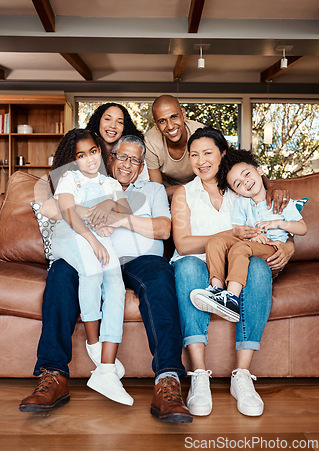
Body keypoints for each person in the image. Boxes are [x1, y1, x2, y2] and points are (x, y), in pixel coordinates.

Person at [19, 135, 192, 423]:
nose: (128, 164)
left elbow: (163, 229)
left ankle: (167, 381)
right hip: (94, 256)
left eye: (135, 160)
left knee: (162, 277)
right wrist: (89, 211)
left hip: (141, 261)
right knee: (61, 272)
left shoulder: (153, 190)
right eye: (122, 156)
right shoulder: (89, 178)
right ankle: (53, 375)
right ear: (110, 158)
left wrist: (118, 218)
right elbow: (52, 207)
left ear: (142, 166)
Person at [170, 126, 295, 418]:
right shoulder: (184, 194)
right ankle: (199, 375)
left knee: (259, 268)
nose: (201, 160)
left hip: (237, 265)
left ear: (223, 153)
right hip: (197, 263)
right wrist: (230, 232)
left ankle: (242, 375)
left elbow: (274, 222)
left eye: (208, 153)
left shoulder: (241, 187)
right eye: (194, 155)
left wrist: (288, 247)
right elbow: (183, 243)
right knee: (187, 266)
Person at [50, 128, 133, 406]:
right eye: (81, 156)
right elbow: (68, 211)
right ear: (73, 160)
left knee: (116, 286)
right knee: (93, 270)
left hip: (98, 236)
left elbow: (126, 209)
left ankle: (106, 369)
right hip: (70, 236)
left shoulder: (109, 183)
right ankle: (93, 343)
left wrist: (110, 203)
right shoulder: (69, 178)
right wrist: (91, 238)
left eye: (93, 152)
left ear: (100, 149)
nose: (89, 160)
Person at [190, 148, 307, 323]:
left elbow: (302, 229)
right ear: (237, 192)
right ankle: (217, 290)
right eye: (238, 184)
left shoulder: (281, 201)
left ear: (259, 171)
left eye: (247, 174)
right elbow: (240, 230)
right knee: (215, 241)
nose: (245, 182)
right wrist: (252, 237)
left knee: (240, 248)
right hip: (253, 246)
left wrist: (278, 224)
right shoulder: (242, 204)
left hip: (273, 250)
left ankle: (231, 299)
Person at [144, 95, 204, 199]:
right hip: (168, 191)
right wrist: (188, 188)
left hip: (201, 190)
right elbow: (157, 192)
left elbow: (212, 180)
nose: (170, 126)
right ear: (156, 124)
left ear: (183, 115)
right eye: (162, 121)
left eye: (174, 117)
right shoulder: (150, 141)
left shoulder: (202, 134)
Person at [86, 102, 149, 180]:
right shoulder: (85, 153)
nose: (113, 126)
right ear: (98, 121)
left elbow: (144, 184)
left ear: (125, 127)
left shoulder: (135, 156)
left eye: (119, 122)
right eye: (108, 119)